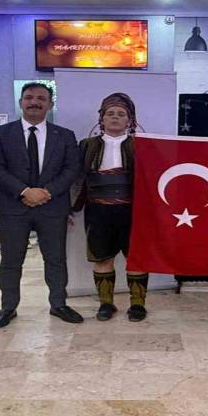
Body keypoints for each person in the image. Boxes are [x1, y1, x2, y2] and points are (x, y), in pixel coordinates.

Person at [0, 82, 82, 328]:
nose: (34, 102)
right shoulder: (0, 133)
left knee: (56, 259)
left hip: (52, 207)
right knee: (10, 260)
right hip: (12, 207)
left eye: (41, 98)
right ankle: (8, 307)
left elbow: (71, 169)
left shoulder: (65, 135)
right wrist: (24, 191)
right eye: (29, 97)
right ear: (21, 102)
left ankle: (59, 304)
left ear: (50, 105)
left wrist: (47, 192)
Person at [74, 93, 149, 322]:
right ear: (102, 119)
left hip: (133, 212)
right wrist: (69, 207)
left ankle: (137, 305)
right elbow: (77, 178)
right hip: (98, 212)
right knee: (102, 258)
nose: (115, 117)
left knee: (136, 258)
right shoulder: (86, 145)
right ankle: (106, 304)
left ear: (130, 120)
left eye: (121, 114)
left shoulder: (143, 145)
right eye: (110, 113)